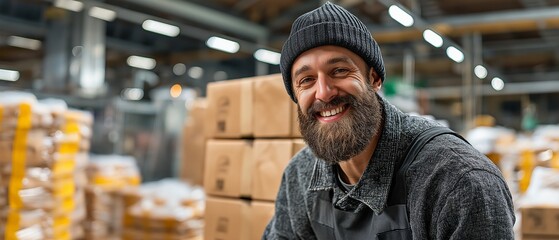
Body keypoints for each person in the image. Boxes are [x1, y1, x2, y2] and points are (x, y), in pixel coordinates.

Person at [263, 2, 515, 239]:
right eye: (306, 80)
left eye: (339, 71)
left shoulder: (457, 182)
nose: (324, 92)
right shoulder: (300, 175)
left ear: (374, 79)